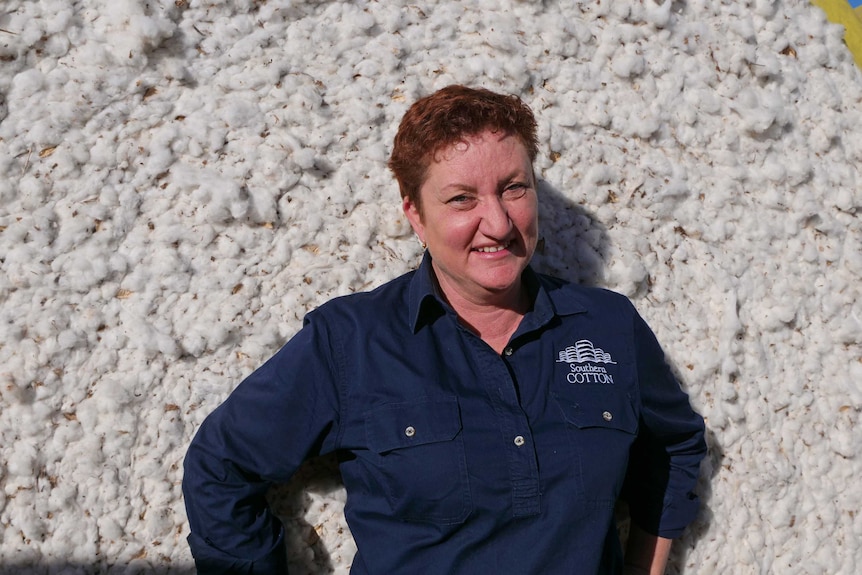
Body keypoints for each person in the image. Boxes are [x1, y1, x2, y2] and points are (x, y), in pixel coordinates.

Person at [182, 85, 707, 575]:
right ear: (415, 213)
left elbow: (674, 448)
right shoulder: (350, 342)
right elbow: (220, 467)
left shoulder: (608, 325)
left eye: (513, 188)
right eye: (462, 199)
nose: (498, 223)